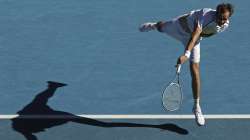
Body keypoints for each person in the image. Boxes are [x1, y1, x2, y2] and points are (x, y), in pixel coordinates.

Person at [139, 3, 234, 126]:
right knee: (161, 27)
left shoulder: (224, 25)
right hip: (179, 27)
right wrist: (186, 54)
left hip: (194, 39)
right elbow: (196, 34)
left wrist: (189, 51)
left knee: (195, 69)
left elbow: (202, 35)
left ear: (228, 18)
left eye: (225, 18)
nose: (222, 20)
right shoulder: (205, 15)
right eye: (220, 17)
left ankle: (196, 107)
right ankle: (152, 26)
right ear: (216, 13)